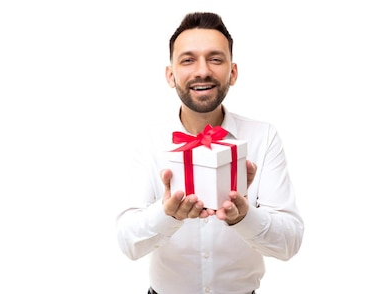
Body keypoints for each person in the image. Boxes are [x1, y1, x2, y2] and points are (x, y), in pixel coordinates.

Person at [115, 12, 304, 294]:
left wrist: (244, 218)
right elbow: (128, 243)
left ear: (233, 72)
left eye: (215, 59)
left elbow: (289, 244)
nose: (202, 70)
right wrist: (167, 214)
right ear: (171, 75)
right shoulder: (149, 141)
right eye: (188, 60)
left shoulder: (263, 137)